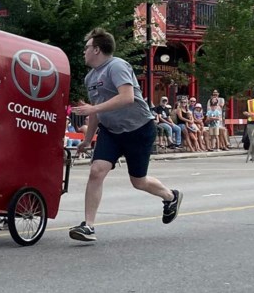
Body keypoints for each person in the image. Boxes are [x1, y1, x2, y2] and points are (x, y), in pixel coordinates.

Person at [70, 27, 182, 243]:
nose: (84, 52)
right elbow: (97, 110)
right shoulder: (90, 78)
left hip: (139, 129)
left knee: (138, 181)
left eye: (86, 48)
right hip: (111, 132)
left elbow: (127, 97)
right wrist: (86, 140)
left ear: (97, 49)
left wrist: (93, 109)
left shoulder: (117, 66)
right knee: (96, 171)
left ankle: (170, 196)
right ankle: (88, 226)